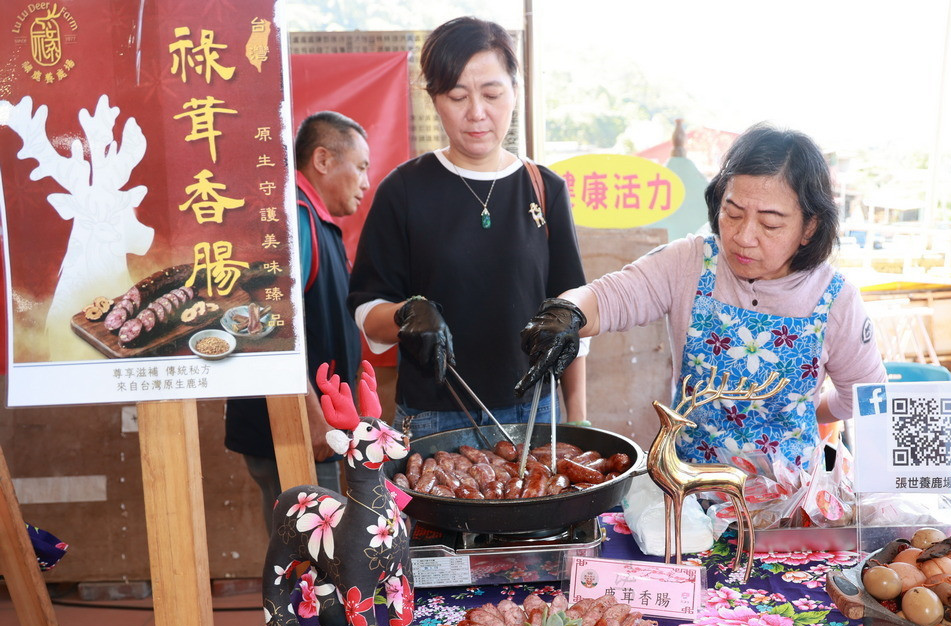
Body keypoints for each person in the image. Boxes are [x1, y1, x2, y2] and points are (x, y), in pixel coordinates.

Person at [518, 123, 887, 469]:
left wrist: (805, 409)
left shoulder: (835, 299)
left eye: (771, 224)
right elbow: (607, 297)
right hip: (689, 498)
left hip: (788, 511)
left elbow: (864, 396)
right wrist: (568, 311)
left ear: (810, 227)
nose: (744, 236)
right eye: (733, 213)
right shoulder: (690, 262)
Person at [346, 16, 587, 441]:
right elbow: (368, 312)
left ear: (515, 91)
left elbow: (571, 313)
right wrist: (405, 314)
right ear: (434, 99)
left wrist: (579, 418)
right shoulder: (403, 190)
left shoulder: (545, 189)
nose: (477, 113)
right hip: (431, 419)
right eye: (457, 96)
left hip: (533, 413)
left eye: (492, 94)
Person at [225, 110, 370, 531]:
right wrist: (313, 417)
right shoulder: (293, 221)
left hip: (312, 429)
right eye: (360, 167)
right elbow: (266, 328)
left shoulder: (315, 220)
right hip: (296, 432)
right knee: (309, 560)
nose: (365, 182)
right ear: (323, 160)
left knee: (310, 555)